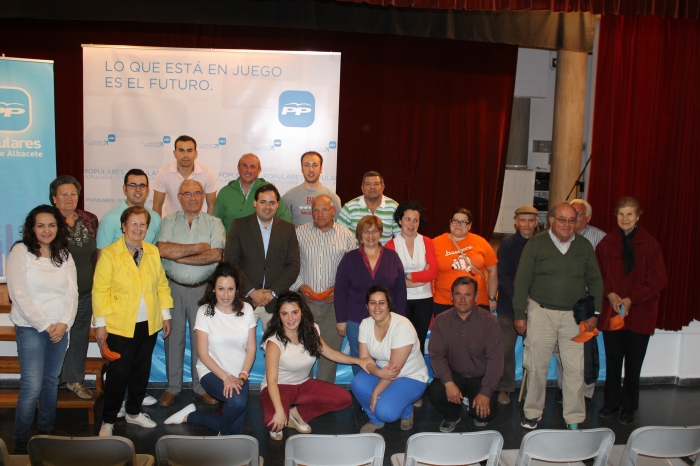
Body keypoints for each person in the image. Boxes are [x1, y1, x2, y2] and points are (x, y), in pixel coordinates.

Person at [513, 202, 603, 430]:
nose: (567, 224)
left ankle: (574, 417)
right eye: (562, 219)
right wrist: (519, 315)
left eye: (571, 220)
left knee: (575, 369)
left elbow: (595, 281)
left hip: (574, 318)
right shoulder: (536, 244)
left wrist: (595, 313)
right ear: (552, 220)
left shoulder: (584, 246)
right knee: (536, 366)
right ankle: (532, 412)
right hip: (540, 313)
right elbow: (522, 281)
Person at [93, 206, 174, 436]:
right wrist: (100, 324)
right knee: (118, 373)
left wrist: (165, 315)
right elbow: (100, 290)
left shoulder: (152, 251)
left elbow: (161, 285)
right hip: (119, 324)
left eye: (143, 224)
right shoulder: (110, 253)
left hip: (148, 322)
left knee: (141, 369)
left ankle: (134, 412)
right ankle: (108, 419)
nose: (138, 229)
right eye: (133, 224)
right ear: (123, 226)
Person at [7, 205, 78, 453]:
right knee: (32, 384)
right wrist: (46, 325)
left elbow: (72, 294)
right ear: (32, 228)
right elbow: (19, 295)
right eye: (40, 225)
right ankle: (20, 444)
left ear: (58, 227)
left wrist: (63, 323)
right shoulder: (20, 251)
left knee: (51, 381)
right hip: (31, 328)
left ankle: (47, 432)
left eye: (51, 225)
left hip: (59, 328)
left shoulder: (64, 255)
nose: (46, 230)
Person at [261, 292, 372, 441]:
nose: (290, 318)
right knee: (273, 423)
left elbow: (331, 353)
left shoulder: (311, 330)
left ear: (302, 311)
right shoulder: (274, 342)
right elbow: (272, 381)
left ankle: (297, 414)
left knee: (344, 399)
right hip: (278, 387)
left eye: (294, 312)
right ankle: (284, 413)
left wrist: (359, 361)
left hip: (303, 384)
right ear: (278, 316)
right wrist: (280, 411)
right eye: (284, 314)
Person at [596, 196, 667, 425]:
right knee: (614, 360)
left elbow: (658, 279)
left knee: (634, 363)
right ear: (615, 216)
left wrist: (631, 298)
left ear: (638, 216)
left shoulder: (650, 244)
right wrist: (610, 294)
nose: (624, 218)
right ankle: (611, 403)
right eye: (621, 214)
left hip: (640, 313)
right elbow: (598, 275)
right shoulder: (606, 244)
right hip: (613, 312)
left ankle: (629, 406)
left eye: (629, 214)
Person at [164, 262, 257, 435]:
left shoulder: (247, 310)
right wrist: (226, 378)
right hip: (211, 373)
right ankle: (221, 429)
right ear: (213, 289)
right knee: (237, 404)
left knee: (234, 429)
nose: (226, 295)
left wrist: (242, 376)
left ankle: (192, 416)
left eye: (230, 289)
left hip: (239, 375)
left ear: (237, 289)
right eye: (221, 289)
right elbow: (203, 353)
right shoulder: (204, 311)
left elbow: (251, 348)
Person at [157, 180, 226, 407]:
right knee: (173, 340)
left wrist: (178, 254)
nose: (193, 197)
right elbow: (163, 250)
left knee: (202, 342)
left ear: (203, 196)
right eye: (187, 193)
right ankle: (172, 387)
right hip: (173, 288)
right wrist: (198, 247)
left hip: (204, 290)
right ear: (179, 196)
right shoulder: (168, 221)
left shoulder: (214, 223)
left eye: (198, 193)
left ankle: (201, 387)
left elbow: (215, 255)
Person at [290, 195, 356, 382]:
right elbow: (292, 265)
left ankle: (324, 394)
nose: (320, 214)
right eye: (316, 210)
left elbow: (353, 269)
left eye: (324, 210)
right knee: (303, 350)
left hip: (334, 305)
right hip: (305, 303)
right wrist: (301, 286)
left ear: (333, 210)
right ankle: (304, 390)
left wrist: (338, 289)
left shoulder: (346, 235)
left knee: (330, 353)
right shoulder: (299, 233)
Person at [428, 277, 503, 431]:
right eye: (458, 294)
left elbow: (496, 361)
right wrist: (448, 383)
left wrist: (486, 392)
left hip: (480, 377)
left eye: (467, 295)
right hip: (455, 375)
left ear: (475, 298)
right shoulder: (441, 321)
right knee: (436, 391)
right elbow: (436, 355)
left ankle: (474, 402)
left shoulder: (490, 321)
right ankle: (453, 415)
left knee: (483, 415)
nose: (462, 299)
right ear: (451, 296)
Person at [335, 215, 407, 374]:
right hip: (356, 319)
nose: (370, 235)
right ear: (359, 234)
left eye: (374, 231)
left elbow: (401, 290)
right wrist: (341, 320)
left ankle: (383, 392)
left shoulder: (392, 257)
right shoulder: (349, 258)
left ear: (380, 233)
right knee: (360, 357)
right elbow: (340, 291)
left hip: (387, 319)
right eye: (366, 231)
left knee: (386, 356)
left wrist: (400, 318)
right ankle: (362, 391)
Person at [350, 285, 428, 433]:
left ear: (389, 305)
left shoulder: (402, 326)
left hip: (410, 376)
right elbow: (364, 359)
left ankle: (407, 410)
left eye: (382, 302)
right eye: (372, 303)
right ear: (367, 306)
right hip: (383, 371)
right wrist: (379, 373)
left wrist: (375, 393)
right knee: (357, 383)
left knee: (386, 412)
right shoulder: (365, 324)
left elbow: (394, 370)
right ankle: (375, 420)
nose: (377, 307)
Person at [552, 198, 608, 405]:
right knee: (562, 349)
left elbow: (601, 275)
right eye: (568, 214)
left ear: (588, 217)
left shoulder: (600, 239)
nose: (572, 219)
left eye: (578, 214)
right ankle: (562, 387)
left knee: (585, 351)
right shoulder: (557, 238)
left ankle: (584, 392)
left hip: (587, 303)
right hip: (563, 301)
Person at [224, 183, 300, 330]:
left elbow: (293, 266)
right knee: (239, 349)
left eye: (272, 202)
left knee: (278, 349)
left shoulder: (288, 229)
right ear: (255, 203)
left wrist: (272, 293)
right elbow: (231, 262)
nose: (267, 207)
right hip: (245, 299)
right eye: (263, 202)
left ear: (278, 205)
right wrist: (251, 291)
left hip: (276, 302)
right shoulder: (239, 226)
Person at [49, 175, 98, 401]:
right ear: (54, 198)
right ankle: (51, 380)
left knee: (79, 336)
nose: (69, 198)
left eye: (73, 193)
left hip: (85, 292)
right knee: (57, 335)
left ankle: (74, 380)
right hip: (57, 295)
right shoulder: (48, 222)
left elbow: (94, 256)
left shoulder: (89, 219)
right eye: (64, 194)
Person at [495, 205, 538, 406]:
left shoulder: (542, 244)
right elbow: (503, 275)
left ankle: (533, 390)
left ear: (536, 223)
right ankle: (505, 388)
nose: (527, 224)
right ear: (516, 222)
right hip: (508, 305)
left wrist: (533, 298)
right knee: (505, 348)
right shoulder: (507, 244)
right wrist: (522, 298)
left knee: (536, 350)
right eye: (523, 220)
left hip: (537, 306)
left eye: (531, 220)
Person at [385, 201, 438, 354]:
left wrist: (407, 275)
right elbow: (393, 277)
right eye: (408, 219)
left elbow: (433, 272)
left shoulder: (427, 242)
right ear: (400, 220)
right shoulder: (391, 245)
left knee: (419, 341)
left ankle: (418, 375)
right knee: (403, 341)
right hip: (401, 299)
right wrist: (421, 277)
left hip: (425, 299)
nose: (411, 224)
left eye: (416, 220)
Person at [432, 208, 498, 317]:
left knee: (476, 333)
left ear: (469, 225)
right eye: (455, 221)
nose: (459, 224)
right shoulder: (436, 243)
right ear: (450, 222)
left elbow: (493, 271)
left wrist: (492, 297)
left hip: (477, 301)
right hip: (445, 301)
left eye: (464, 222)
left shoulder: (480, 242)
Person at [214, 153, 291, 233]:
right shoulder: (225, 192)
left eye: (252, 167)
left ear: (259, 170)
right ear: (238, 168)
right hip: (232, 244)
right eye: (244, 166)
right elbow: (215, 224)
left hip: (263, 244)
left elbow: (285, 220)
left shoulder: (269, 191)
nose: (248, 170)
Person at [97, 168, 162, 252]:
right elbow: (101, 256)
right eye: (132, 185)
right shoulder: (109, 219)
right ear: (125, 189)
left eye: (142, 185)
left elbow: (156, 253)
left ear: (147, 190)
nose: (138, 189)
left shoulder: (156, 218)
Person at [152, 135, 218, 216]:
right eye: (181, 151)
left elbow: (212, 205)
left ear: (195, 153)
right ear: (175, 153)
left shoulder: (207, 172)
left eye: (189, 151)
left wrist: (208, 226)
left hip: (198, 224)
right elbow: (157, 205)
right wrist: (157, 228)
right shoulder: (163, 172)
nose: (185, 155)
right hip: (170, 224)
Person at [337, 171, 399, 244]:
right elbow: (339, 236)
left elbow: (401, 237)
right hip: (356, 254)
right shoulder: (349, 208)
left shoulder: (394, 207)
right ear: (362, 188)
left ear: (383, 187)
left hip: (384, 254)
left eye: (376, 184)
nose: (372, 187)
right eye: (368, 184)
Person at [282, 151, 342, 227]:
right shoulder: (289, 197)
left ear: (321, 168)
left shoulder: (333, 198)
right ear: (302, 168)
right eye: (306, 165)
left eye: (315, 165)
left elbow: (339, 227)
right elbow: (283, 226)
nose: (311, 169)